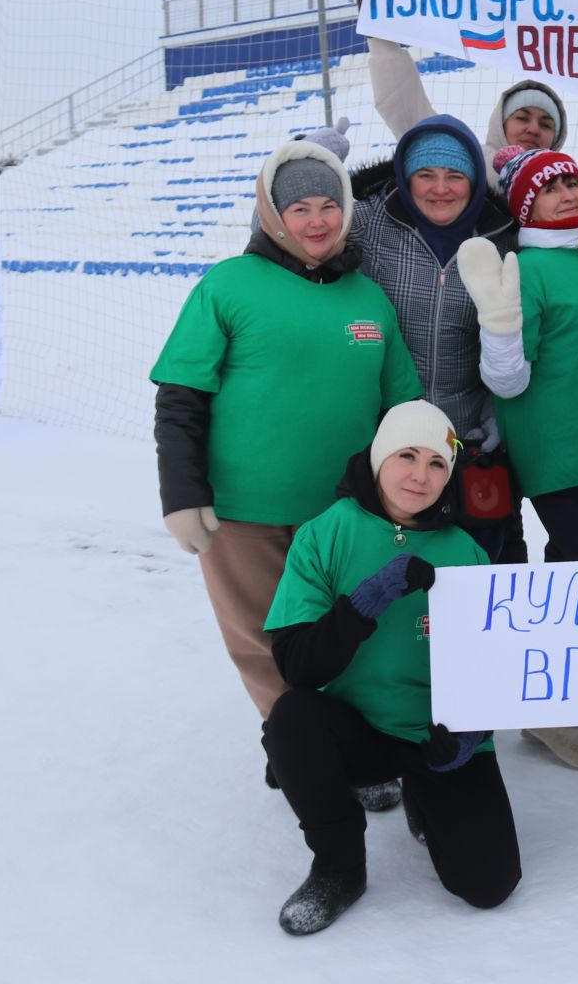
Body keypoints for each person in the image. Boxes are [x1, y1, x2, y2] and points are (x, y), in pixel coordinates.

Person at [151, 131, 422, 730]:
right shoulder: (229, 285)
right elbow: (181, 399)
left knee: (346, 631)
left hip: (343, 513)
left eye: (329, 206)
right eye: (299, 208)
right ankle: (300, 747)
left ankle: (359, 743)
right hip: (244, 516)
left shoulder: (369, 299)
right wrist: (183, 493)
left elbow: (402, 410)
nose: (317, 221)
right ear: (273, 214)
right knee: (264, 640)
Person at [262, 400, 517, 935]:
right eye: (407, 455)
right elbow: (297, 667)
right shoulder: (324, 534)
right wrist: (363, 604)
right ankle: (339, 868)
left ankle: (425, 794)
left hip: (438, 739)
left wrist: (471, 735)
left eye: (437, 464)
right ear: (379, 457)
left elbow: (497, 668)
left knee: (489, 886)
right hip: (357, 731)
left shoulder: (468, 553)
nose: (420, 476)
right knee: (292, 718)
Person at [460, 147, 578, 772]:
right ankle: (544, 708)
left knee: (570, 576)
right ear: (523, 204)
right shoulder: (527, 268)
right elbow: (507, 380)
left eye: (573, 182)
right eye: (550, 187)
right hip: (559, 452)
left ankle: (574, 695)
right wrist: (502, 326)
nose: (568, 193)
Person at [345, 113, 525, 559]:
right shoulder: (371, 223)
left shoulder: (503, 238)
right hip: (388, 439)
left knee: (476, 570)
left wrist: (493, 413)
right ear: (406, 179)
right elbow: (290, 225)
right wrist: (314, 164)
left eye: (454, 176)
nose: (440, 189)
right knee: (392, 575)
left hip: (466, 442)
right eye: (425, 175)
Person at [354, 0, 578, 227]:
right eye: (522, 117)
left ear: (557, 137)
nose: (533, 128)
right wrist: (378, 35)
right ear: (500, 123)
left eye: (546, 123)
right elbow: (407, 108)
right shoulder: (469, 161)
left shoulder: (568, 186)